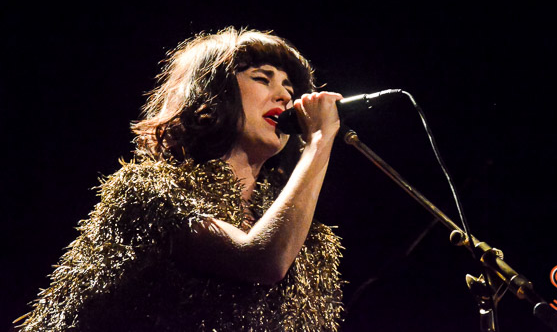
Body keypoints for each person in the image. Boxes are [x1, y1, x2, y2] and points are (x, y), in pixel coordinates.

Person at [16, 27, 344, 331]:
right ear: (213, 93)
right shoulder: (150, 191)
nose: (285, 96)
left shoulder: (306, 237)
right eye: (263, 79)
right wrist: (319, 140)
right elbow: (262, 261)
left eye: (289, 87)